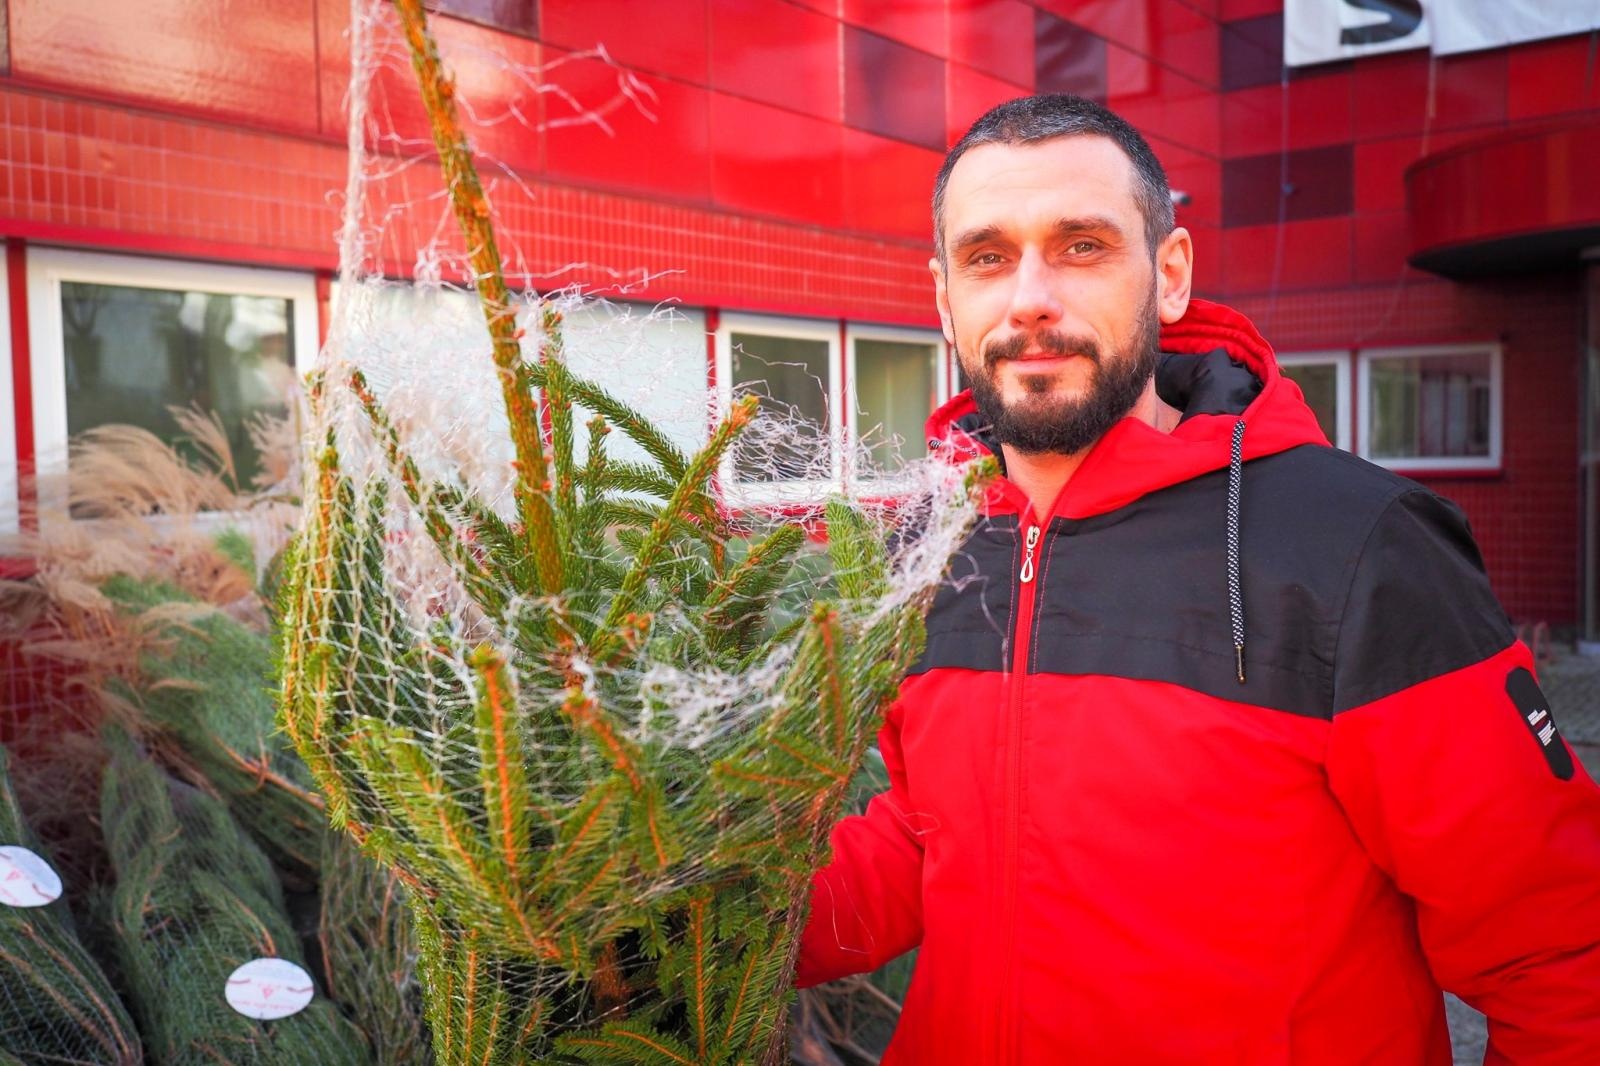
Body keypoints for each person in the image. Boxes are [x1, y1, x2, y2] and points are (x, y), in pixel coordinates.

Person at [795, 94, 1600, 1064]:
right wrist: (696, 925)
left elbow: (1556, 954)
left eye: (1082, 245)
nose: (1028, 298)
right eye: (987, 256)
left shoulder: (1356, 545)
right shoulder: (934, 542)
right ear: (943, 296)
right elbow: (926, 845)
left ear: (1168, 275)